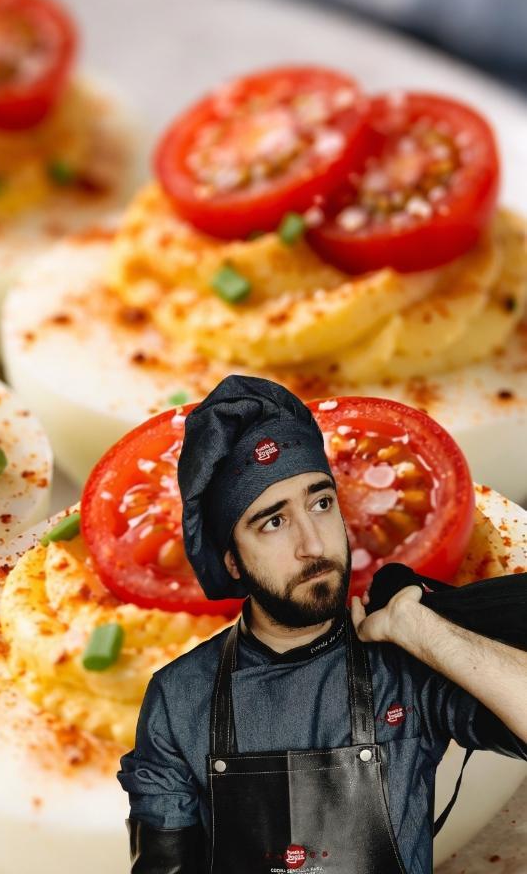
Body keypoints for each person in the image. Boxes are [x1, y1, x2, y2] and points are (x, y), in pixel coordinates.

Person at [117, 374, 527, 873]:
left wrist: (423, 630)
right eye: (274, 521)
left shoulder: (405, 667)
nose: (313, 544)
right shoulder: (178, 697)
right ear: (232, 562)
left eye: (321, 503)